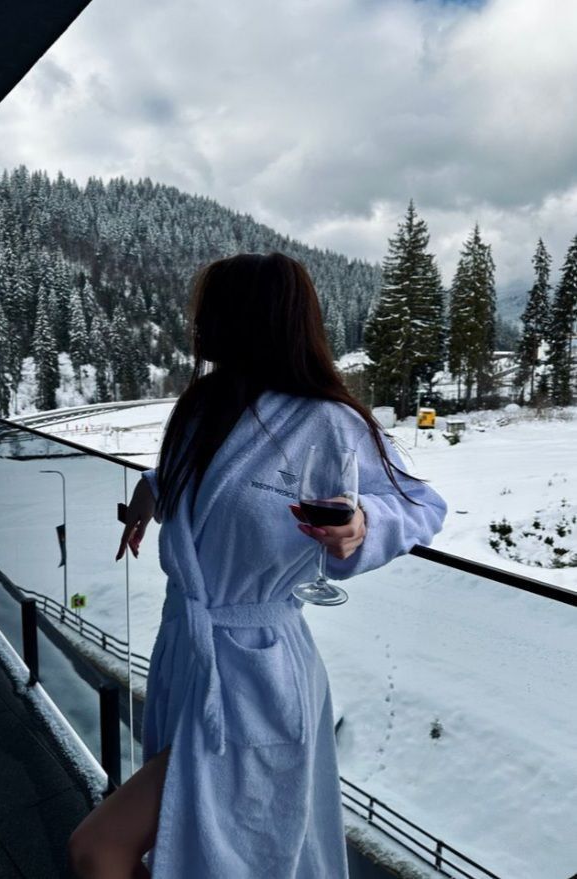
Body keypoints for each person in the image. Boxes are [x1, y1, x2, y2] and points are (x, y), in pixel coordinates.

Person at [68, 251, 447, 879]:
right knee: (195, 851)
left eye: (210, 311)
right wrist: (153, 487)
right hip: (188, 656)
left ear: (252, 319)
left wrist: (364, 524)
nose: (197, 325)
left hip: (257, 676)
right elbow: (210, 480)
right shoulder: (204, 406)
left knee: (102, 848)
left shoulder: (328, 423)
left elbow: (423, 505)